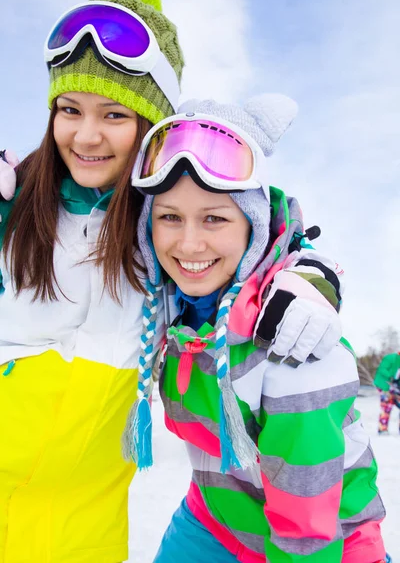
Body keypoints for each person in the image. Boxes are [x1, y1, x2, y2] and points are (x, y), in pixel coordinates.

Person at [131, 96, 387, 563]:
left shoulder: (294, 347)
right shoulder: (170, 304)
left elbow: (308, 525)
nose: (189, 243)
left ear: (253, 227)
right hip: (215, 519)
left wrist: (315, 277)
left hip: (321, 542)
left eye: (214, 218)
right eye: (169, 217)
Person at [0, 0, 184, 563]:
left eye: (114, 115)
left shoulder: (172, 225)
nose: (86, 135)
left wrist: (307, 281)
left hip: (85, 528)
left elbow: (268, 228)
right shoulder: (15, 201)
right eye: (70, 109)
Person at [374, 351, 400, 434]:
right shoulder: (391, 358)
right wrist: (391, 377)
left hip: (394, 387)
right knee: (387, 406)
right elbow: (382, 369)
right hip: (384, 385)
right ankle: (383, 429)